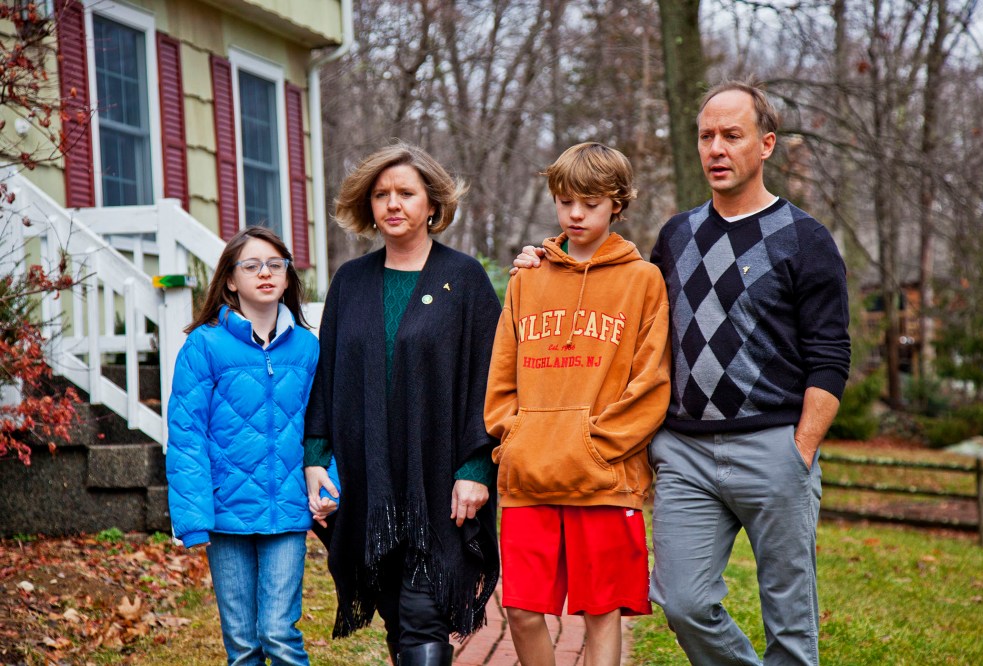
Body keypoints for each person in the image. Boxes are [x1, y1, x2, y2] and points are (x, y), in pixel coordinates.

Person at [514, 79, 851, 665]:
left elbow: (830, 354)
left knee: (790, 621)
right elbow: (620, 304)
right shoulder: (677, 235)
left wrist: (801, 448)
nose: (716, 148)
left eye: (732, 135)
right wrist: (547, 263)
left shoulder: (805, 238)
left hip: (773, 446)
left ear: (767, 144)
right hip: (685, 453)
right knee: (682, 603)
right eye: (706, 136)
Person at [302, 142, 501, 665]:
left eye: (406, 193)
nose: (393, 203)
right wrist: (316, 457)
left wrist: (477, 467)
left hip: (440, 482)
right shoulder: (350, 281)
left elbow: (492, 380)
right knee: (396, 614)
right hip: (368, 481)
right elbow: (328, 376)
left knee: (422, 613)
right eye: (381, 194)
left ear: (432, 204)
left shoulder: (465, 279)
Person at [485, 142, 671, 666]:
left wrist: (596, 446)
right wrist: (515, 438)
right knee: (521, 612)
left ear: (617, 203)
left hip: (604, 479)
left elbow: (652, 382)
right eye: (565, 201)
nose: (575, 214)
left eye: (590, 203)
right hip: (530, 476)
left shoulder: (643, 280)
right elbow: (501, 376)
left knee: (601, 612)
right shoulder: (527, 278)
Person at [166, 226, 328, 666]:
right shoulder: (204, 345)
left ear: (288, 277)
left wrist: (329, 486)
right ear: (231, 280)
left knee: (278, 633)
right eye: (252, 265)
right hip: (226, 514)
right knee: (242, 646)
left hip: (286, 511)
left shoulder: (307, 348)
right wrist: (194, 519)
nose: (265, 273)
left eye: (276, 264)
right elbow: (187, 436)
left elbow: (325, 427)